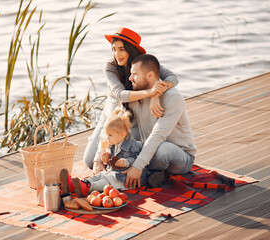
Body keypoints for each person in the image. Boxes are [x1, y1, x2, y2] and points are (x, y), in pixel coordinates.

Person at [83, 27, 179, 171]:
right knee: (90, 161)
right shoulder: (110, 67)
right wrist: (151, 93)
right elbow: (120, 94)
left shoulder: (143, 64)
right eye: (114, 49)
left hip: (135, 115)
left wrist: (157, 94)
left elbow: (173, 78)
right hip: (113, 113)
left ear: (131, 50)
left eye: (121, 49)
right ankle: (95, 141)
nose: (117, 54)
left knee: (132, 155)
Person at [122, 54, 196, 189]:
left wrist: (137, 165)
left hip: (180, 155)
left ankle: (145, 171)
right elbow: (133, 131)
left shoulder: (173, 97)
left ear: (150, 76)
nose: (130, 78)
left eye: (134, 74)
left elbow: (158, 135)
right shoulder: (137, 94)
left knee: (163, 151)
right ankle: (152, 173)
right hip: (150, 149)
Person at [60, 108, 146, 197]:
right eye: (106, 134)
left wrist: (126, 162)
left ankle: (88, 187)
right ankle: (77, 185)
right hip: (113, 171)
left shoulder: (133, 145)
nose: (107, 137)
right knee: (101, 175)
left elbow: (138, 158)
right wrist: (106, 160)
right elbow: (111, 162)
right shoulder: (113, 144)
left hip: (125, 176)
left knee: (108, 179)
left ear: (122, 135)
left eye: (110, 135)